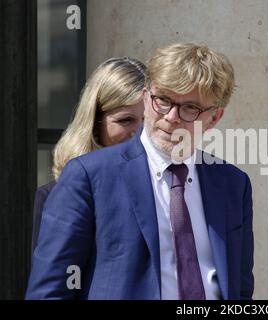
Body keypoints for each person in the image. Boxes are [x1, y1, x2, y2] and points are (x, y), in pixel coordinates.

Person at [26, 43, 254, 300]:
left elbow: (241, 291)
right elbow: (49, 292)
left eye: (190, 107)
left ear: (214, 118)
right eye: (163, 101)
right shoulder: (89, 176)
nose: (171, 117)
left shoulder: (234, 184)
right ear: (146, 98)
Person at [31, 57, 146, 254]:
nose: (140, 133)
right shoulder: (56, 195)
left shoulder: (168, 190)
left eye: (148, 121)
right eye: (126, 120)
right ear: (95, 123)